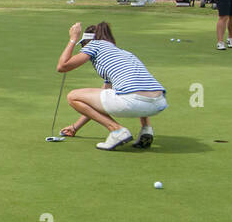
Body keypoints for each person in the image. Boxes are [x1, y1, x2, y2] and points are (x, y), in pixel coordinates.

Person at [57, 21, 167, 150]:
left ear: (87, 42)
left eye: (82, 45)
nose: (82, 48)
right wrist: (75, 127)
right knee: (136, 86)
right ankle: (146, 129)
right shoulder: (123, 53)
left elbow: (62, 67)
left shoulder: (94, 45)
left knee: (73, 96)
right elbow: (97, 102)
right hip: (158, 103)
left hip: (133, 102)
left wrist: (73, 39)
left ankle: (117, 131)